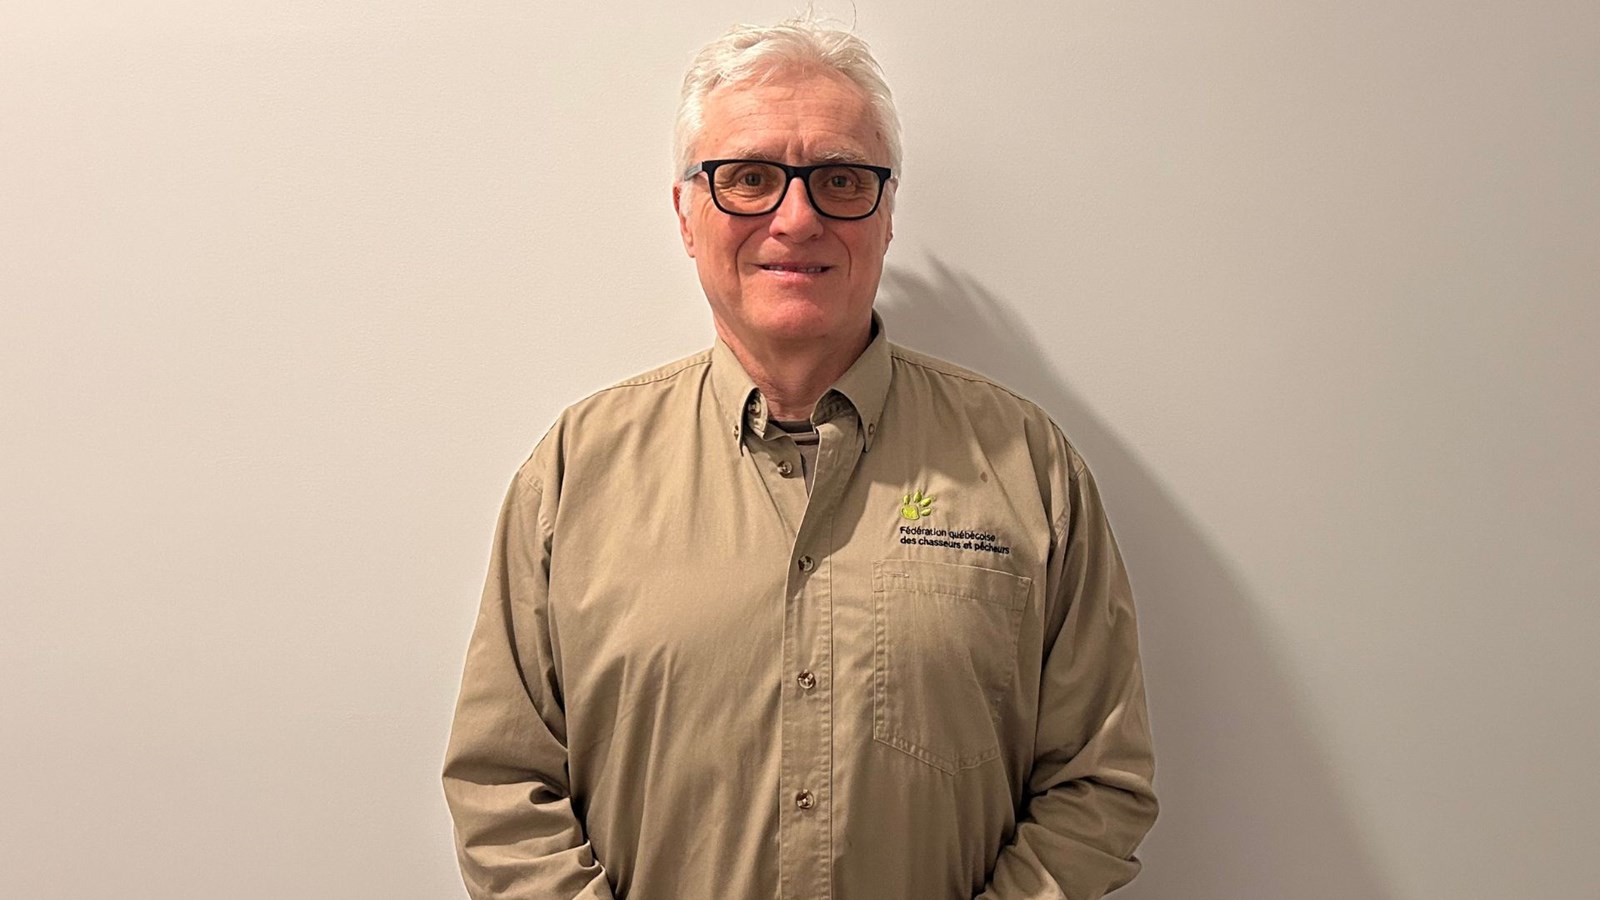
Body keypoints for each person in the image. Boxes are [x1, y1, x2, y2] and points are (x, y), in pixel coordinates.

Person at [443, 15, 1157, 900]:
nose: (796, 218)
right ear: (686, 214)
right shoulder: (574, 473)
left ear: (886, 216)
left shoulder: (1027, 468)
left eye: (841, 180)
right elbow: (502, 787)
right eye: (748, 178)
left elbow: (1098, 782)